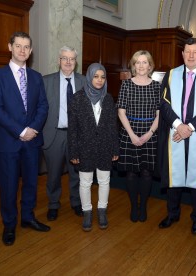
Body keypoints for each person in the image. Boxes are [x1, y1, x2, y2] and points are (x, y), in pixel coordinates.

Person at [0, 32, 50, 246]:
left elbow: (43, 106)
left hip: (32, 141)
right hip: (8, 142)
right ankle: (10, 224)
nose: (22, 50)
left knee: (31, 183)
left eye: (26, 47)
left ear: (30, 51)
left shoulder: (36, 77)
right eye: (18, 46)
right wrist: (21, 131)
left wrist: (32, 129)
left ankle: (28, 218)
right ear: (10, 47)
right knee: (8, 186)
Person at [157, 37, 196, 235]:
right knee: (174, 175)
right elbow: (163, 103)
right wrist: (178, 125)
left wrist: (190, 127)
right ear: (182, 54)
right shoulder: (171, 74)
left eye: (195, 52)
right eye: (187, 52)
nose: (191, 55)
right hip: (175, 132)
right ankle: (172, 213)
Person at [68, 63, 119, 232]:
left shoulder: (109, 98)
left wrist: (114, 148)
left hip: (105, 147)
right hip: (84, 148)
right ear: (89, 77)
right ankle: (87, 212)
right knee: (85, 182)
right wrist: (73, 151)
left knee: (105, 181)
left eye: (103, 77)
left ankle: (102, 211)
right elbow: (72, 128)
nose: (99, 80)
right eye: (96, 76)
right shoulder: (77, 98)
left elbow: (113, 126)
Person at [42, 46, 86, 221]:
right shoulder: (46, 81)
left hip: (78, 135)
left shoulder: (84, 82)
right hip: (54, 134)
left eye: (72, 59)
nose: (68, 62)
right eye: (64, 58)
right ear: (58, 60)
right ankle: (53, 204)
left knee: (77, 172)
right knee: (53, 174)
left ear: (76, 62)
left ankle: (76, 202)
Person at [117, 50, 160, 222]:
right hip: (130, 131)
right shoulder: (126, 84)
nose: (141, 66)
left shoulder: (157, 86)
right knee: (132, 173)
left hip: (150, 131)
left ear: (150, 66)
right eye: (138, 62)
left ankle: (143, 207)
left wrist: (149, 133)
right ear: (133, 65)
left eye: (145, 62)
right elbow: (121, 112)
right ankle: (134, 206)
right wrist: (132, 135)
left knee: (146, 173)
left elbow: (160, 114)